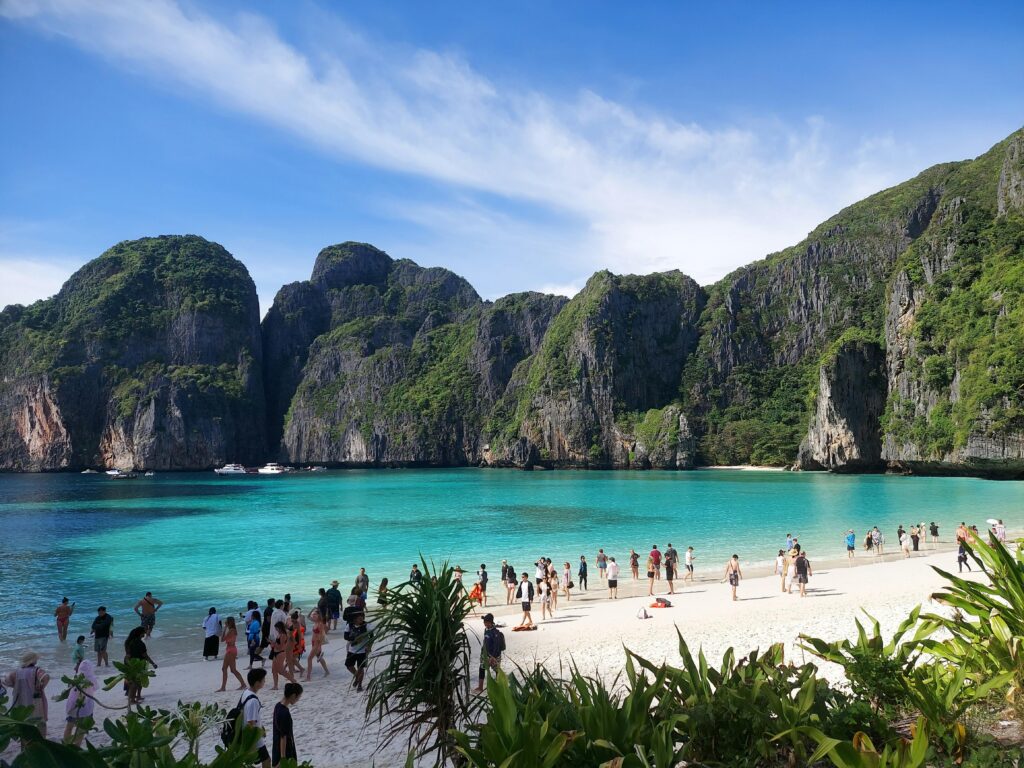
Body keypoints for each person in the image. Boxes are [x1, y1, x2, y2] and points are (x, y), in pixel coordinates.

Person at [3, 652, 49, 736]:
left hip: (20, 702)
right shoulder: (37, 670)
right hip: (35, 700)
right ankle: (42, 741)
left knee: (23, 724)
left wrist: (15, 686)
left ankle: (25, 745)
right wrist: (42, 686)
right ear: (33, 660)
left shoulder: (16, 672)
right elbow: (46, 677)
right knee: (40, 722)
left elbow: (6, 681)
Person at [63, 658, 97, 746]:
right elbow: (95, 688)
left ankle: (66, 745)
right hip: (86, 707)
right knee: (81, 729)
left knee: (69, 726)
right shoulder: (92, 679)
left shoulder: (75, 678)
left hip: (73, 706)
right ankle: (77, 746)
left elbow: (69, 687)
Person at [243, 668, 270, 768]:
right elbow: (251, 722)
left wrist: (261, 727)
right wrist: (252, 743)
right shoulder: (253, 701)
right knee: (266, 760)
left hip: (253, 735)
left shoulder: (246, 692)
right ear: (257, 683)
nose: (264, 682)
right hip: (254, 738)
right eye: (263, 680)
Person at [273, 681, 302, 767]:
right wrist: (283, 758)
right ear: (293, 696)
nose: (297, 700)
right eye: (298, 698)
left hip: (276, 746)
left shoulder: (277, 706)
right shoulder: (284, 713)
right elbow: (283, 736)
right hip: (285, 750)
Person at [474, 613, 504, 693]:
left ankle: (499, 686)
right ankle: (480, 687)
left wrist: (493, 657)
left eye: (486, 622)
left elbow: (497, 645)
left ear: (491, 622)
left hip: (494, 655)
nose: (485, 624)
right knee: (482, 669)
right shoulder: (486, 630)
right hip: (485, 655)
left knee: (497, 671)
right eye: (484, 622)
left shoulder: (495, 632)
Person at [343, 612, 372, 692]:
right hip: (352, 650)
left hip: (362, 651)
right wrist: (355, 639)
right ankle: (356, 677)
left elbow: (372, 636)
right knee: (349, 666)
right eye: (359, 618)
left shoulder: (367, 625)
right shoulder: (349, 625)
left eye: (362, 617)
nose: (362, 619)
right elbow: (345, 636)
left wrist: (369, 646)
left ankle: (360, 685)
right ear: (355, 619)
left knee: (360, 668)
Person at [218, 616, 247, 692]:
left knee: (226, 669)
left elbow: (222, 639)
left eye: (227, 622)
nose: (226, 623)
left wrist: (225, 628)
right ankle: (242, 684)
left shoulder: (231, 630)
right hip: (231, 649)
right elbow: (223, 639)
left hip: (230, 650)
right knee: (232, 670)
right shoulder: (233, 630)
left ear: (229, 622)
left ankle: (223, 687)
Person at [270, 621, 298, 690]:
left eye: (276, 628)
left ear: (280, 628)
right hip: (276, 653)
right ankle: (275, 686)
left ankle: (293, 680)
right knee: (274, 670)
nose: (276, 629)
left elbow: (280, 646)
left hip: (280, 653)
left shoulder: (283, 635)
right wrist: (272, 643)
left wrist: (273, 643)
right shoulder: (279, 634)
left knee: (281, 671)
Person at [305, 609, 329, 681]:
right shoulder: (315, 622)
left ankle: (308, 677)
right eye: (313, 614)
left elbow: (321, 636)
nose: (313, 615)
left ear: (319, 615)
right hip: (313, 642)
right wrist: (312, 609)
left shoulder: (320, 624)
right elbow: (308, 616)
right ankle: (327, 671)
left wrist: (319, 646)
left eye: (315, 614)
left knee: (309, 659)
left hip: (317, 644)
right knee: (319, 657)